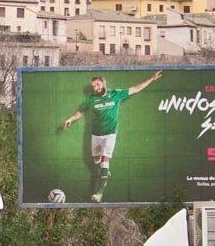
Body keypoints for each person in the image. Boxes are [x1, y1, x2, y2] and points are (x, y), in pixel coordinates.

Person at [60, 70, 162, 202]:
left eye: (97, 85)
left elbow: (136, 89)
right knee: (96, 159)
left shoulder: (116, 94)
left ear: (104, 83)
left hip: (110, 134)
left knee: (104, 161)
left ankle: (99, 193)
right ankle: (104, 172)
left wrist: (152, 79)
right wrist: (70, 119)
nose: (96, 88)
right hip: (96, 135)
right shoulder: (91, 99)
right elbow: (81, 111)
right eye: (94, 86)